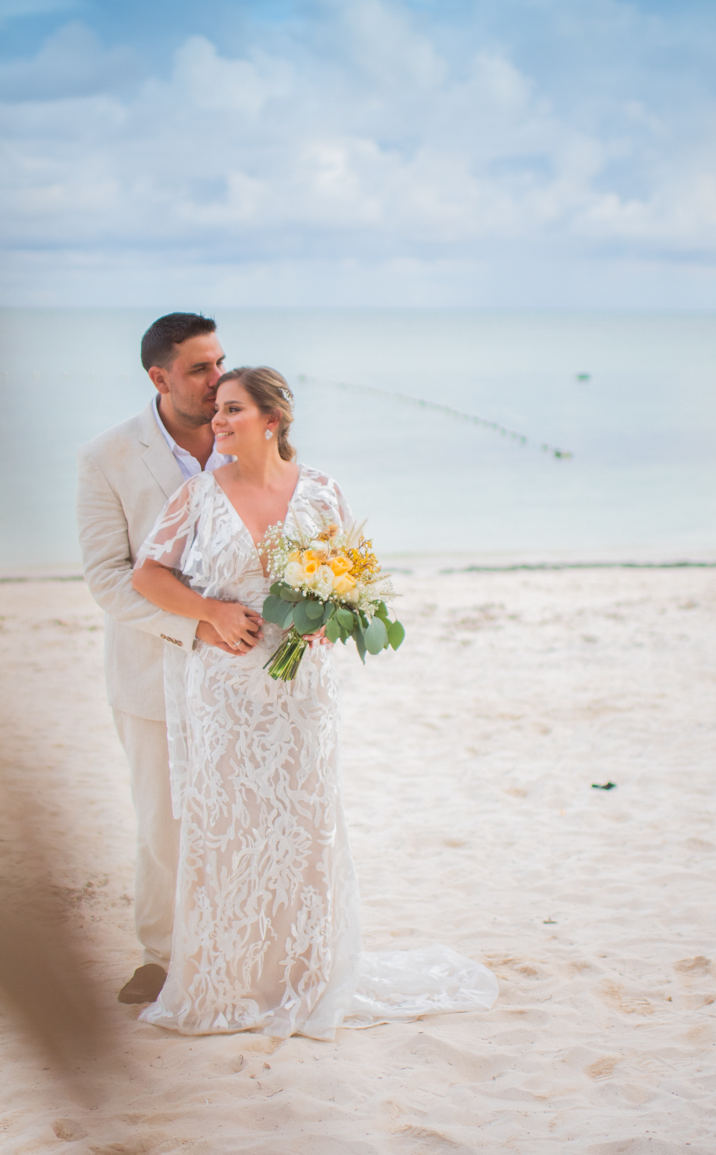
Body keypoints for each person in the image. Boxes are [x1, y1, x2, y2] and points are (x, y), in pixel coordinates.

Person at [128, 366, 498, 1039]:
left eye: (232, 409)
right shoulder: (197, 495)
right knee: (227, 827)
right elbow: (147, 575)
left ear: (271, 419)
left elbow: (354, 578)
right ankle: (226, 978)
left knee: (303, 824)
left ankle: (304, 972)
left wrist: (328, 619)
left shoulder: (322, 492)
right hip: (224, 688)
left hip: (303, 691)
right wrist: (209, 610)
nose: (217, 421)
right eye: (216, 410)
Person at [77, 313, 249, 1006]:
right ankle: (161, 956)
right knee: (161, 820)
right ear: (159, 377)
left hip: (243, 666)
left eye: (220, 363)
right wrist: (198, 622)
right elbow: (106, 578)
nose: (217, 380)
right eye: (200, 369)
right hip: (151, 667)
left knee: (239, 809)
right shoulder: (107, 456)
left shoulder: (245, 434)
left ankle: (238, 943)